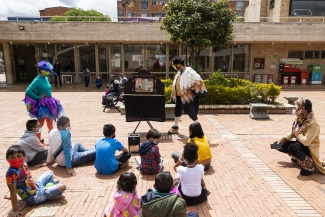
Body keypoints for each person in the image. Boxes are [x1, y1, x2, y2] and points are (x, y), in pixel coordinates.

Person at [5, 145, 66, 217]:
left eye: (18, 156)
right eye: (12, 158)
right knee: (63, 187)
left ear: (24, 156)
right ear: (7, 159)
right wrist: (15, 210)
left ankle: (48, 191)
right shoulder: (11, 173)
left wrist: (13, 195)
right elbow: (12, 191)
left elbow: (21, 183)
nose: (16, 159)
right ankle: (48, 193)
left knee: (49, 173)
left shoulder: (24, 164)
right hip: (33, 197)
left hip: (35, 186)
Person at [276, 98, 325, 176]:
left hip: (309, 149)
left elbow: (306, 142)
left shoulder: (314, 124)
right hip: (300, 145)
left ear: (304, 110)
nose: (296, 111)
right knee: (276, 145)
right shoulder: (300, 119)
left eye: (298, 109)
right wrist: (283, 139)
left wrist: (298, 134)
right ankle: (298, 158)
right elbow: (293, 132)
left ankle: (309, 165)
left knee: (292, 148)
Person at [23, 61, 65, 141]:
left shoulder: (46, 78)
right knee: (40, 123)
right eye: (47, 71)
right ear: (42, 70)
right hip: (42, 104)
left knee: (50, 122)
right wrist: (38, 97)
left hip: (49, 103)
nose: (49, 72)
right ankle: (37, 141)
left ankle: (53, 139)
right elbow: (28, 91)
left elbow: (47, 89)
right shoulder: (37, 80)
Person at [168, 56, 207, 134]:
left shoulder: (190, 72)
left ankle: (198, 130)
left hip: (187, 97)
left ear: (179, 64)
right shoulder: (179, 73)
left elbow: (198, 80)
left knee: (191, 113)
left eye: (176, 65)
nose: (175, 67)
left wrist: (193, 89)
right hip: (179, 96)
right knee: (177, 111)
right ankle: (175, 127)